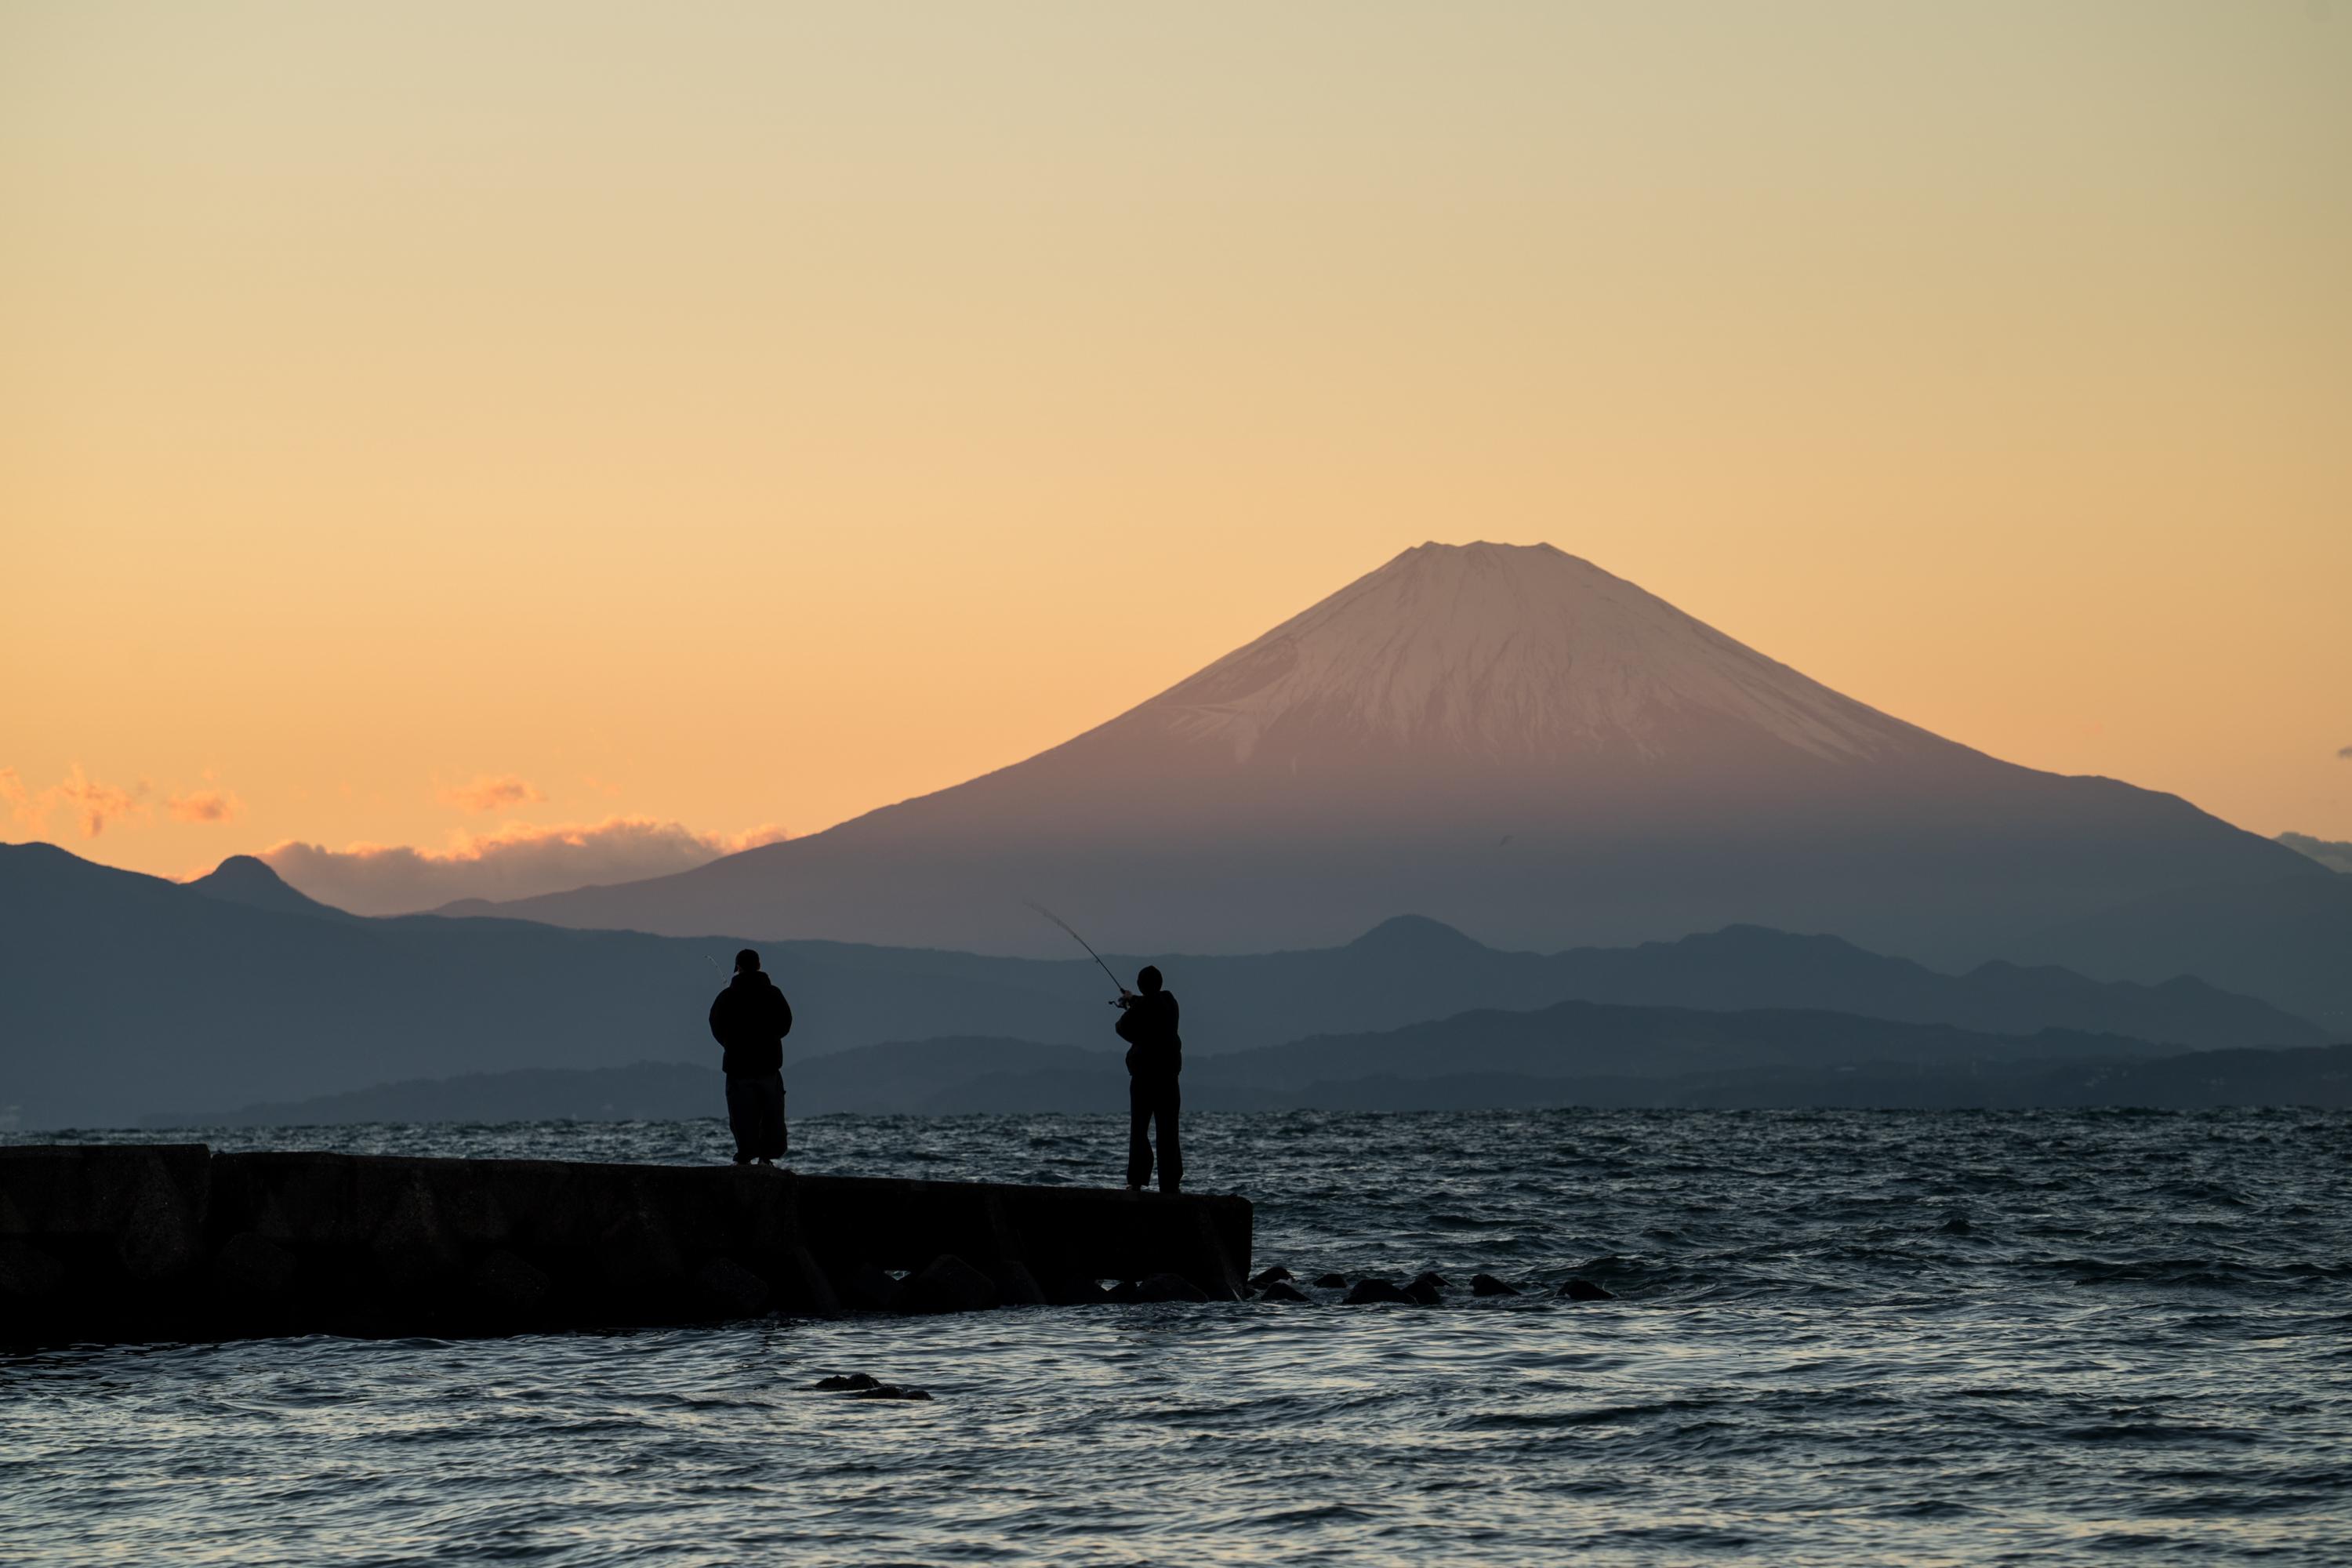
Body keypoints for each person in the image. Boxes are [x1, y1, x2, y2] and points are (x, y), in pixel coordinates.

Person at [708, 948, 792, 1167]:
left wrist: (730, 1044)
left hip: (738, 1069)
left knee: (741, 1117)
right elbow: (785, 1024)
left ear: (738, 968)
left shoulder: (727, 997)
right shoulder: (774, 994)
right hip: (769, 1066)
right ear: (759, 965)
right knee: (772, 1115)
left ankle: (745, 1157)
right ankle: (766, 1158)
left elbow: (715, 1025)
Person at [1113, 964, 1182, 1193]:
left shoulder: (1141, 1011)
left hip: (1144, 1081)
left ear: (1142, 985)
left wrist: (1128, 1005)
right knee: (1169, 1133)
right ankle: (1170, 1184)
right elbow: (1153, 1004)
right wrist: (1133, 1001)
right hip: (1169, 1081)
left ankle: (1136, 1181)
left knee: (1139, 1130)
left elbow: (1123, 1028)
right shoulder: (1170, 1003)